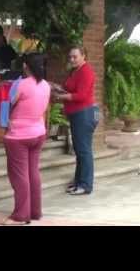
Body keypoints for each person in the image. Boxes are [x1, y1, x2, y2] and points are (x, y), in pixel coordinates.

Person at [1, 53, 50, 225]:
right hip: (38, 133)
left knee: (19, 176)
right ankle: (35, 211)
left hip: (18, 136)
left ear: (25, 66)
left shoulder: (19, 84)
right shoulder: (45, 85)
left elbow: (7, 104)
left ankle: (21, 216)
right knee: (33, 172)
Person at [54, 46, 98, 196]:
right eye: (70, 57)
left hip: (84, 114)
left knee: (84, 150)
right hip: (77, 113)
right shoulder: (76, 71)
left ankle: (85, 185)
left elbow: (82, 95)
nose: (72, 59)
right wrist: (58, 88)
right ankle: (78, 182)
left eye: (75, 57)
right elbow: (71, 89)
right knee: (79, 150)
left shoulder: (86, 71)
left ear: (83, 56)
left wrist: (62, 97)